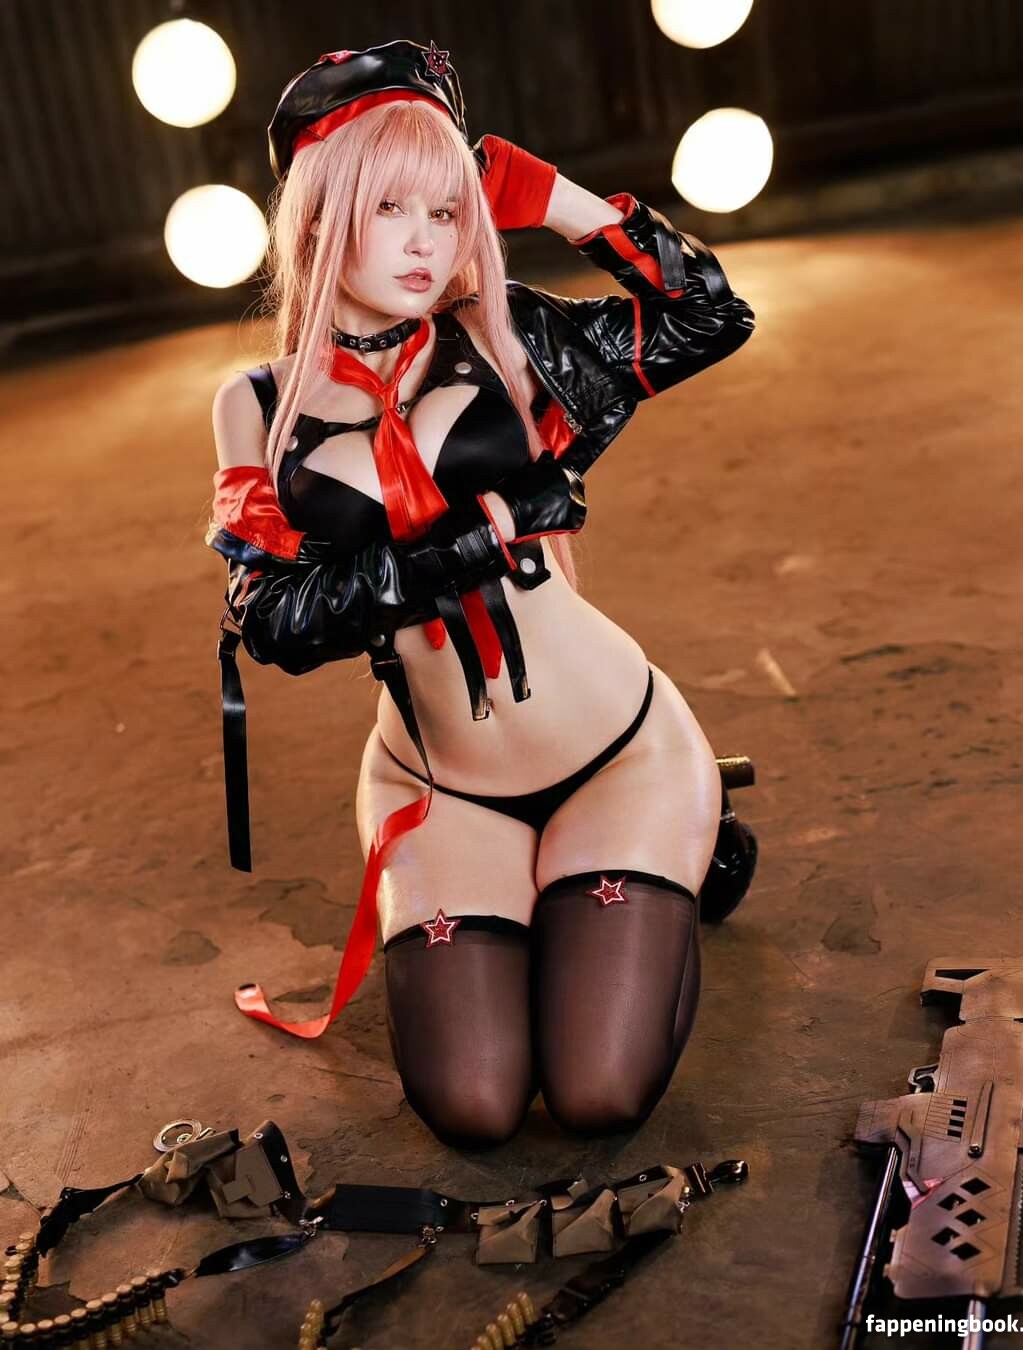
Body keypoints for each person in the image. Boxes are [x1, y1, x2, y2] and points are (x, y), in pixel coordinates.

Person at [207, 39, 757, 1149]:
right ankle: (576, 892)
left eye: (448, 209)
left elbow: (710, 316)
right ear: (318, 218)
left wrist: (553, 199)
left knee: (597, 1094)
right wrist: (456, 552)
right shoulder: (255, 405)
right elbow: (271, 621)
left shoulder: (511, 338)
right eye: (390, 207)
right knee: (476, 1108)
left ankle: (680, 838)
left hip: (614, 753)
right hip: (439, 789)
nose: (427, 241)